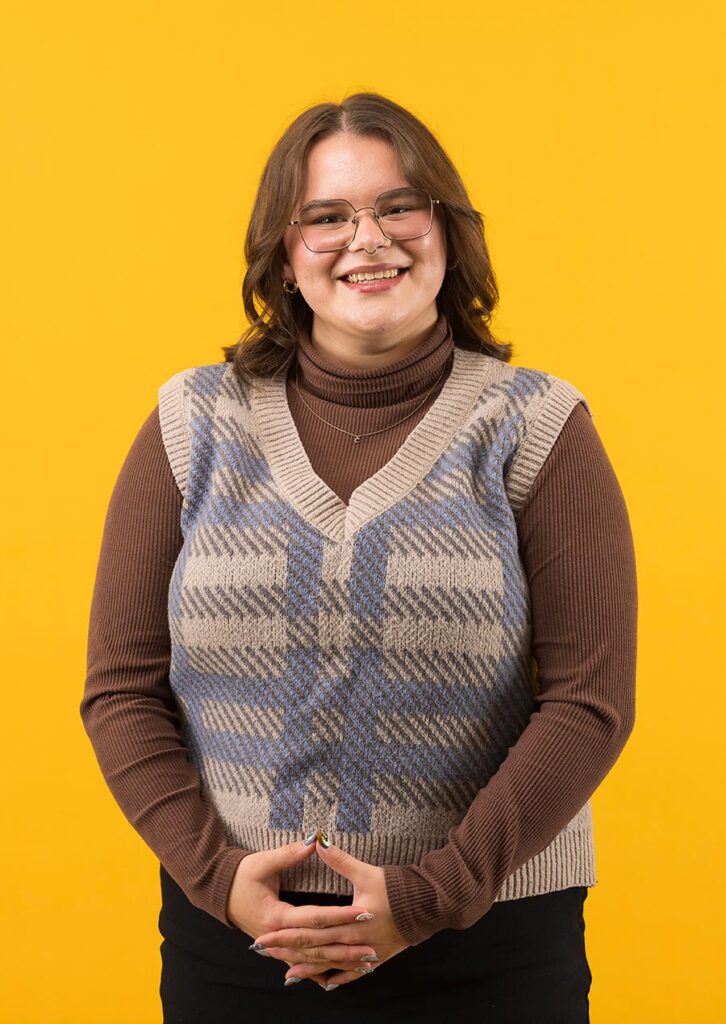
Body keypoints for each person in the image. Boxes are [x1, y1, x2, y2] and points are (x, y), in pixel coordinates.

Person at [80, 91, 638, 1023]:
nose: (367, 239)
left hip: (491, 949)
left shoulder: (537, 427)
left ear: (447, 231)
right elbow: (120, 688)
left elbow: (590, 702)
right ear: (284, 254)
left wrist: (428, 897)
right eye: (327, 216)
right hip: (240, 944)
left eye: (398, 207)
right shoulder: (191, 423)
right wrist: (216, 878)